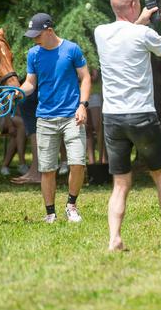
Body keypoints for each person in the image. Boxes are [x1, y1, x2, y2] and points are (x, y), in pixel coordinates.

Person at [94, 0, 161, 251]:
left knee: (120, 183)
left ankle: (115, 239)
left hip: (112, 119)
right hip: (142, 115)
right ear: (134, 3)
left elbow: (125, 33)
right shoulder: (143, 34)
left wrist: (140, 20)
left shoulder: (100, 33)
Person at [17, 13, 91, 224]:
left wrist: (83, 105)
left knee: (78, 162)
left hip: (72, 116)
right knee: (47, 169)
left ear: (49, 30)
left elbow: (85, 77)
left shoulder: (71, 49)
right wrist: (19, 92)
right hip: (45, 118)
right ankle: (50, 213)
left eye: (37, 35)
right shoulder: (33, 54)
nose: (34, 39)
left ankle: (71, 205)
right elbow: (31, 83)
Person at [10, 89, 41, 185]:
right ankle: (34, 171)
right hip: (30, 93)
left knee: (35, 131)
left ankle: (37, 172)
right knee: (34, 132)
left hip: (32, 93)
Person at [85, 67, 105, 166]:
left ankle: (103, 159)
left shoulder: (93, 55)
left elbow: (95, 76)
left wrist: (80, 76)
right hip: (81, 94)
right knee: (87, 129)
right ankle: (91, 161)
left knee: (98, 127)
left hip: (94, 94)